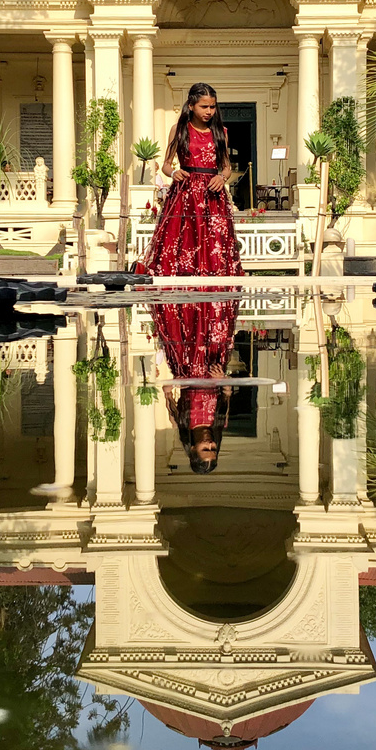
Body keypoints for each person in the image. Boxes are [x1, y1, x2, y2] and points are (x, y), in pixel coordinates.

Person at [138, 82, 243, 277]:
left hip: (213, 196)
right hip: (185, 195)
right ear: (191, 106)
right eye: (204, 106)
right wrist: (173, 173)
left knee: (214, 244)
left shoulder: (221, 132)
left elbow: (227, 167)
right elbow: (166, 164)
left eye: (212, 106)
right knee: (183, 241)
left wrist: (222, 177)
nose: (209, 111)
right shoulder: (179, 130)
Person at [152, 298, 240, 473]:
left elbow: (166, 390)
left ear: (192, 449)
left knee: (187, 319)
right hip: (214, 360)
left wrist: (178, 381)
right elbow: (227, 392)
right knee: (216, 316)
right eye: (213, 449)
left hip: (187, 362)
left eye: (205, 449)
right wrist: (222, 379)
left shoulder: (179, 421)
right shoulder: (220, 422)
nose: (210, 444)